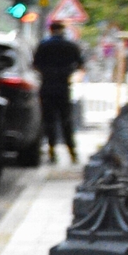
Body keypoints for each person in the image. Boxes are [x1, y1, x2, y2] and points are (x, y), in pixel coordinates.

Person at [32, 19, 86, 164]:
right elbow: (80, 64)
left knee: (49, 120)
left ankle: (51, 152)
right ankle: (72, 153)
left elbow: (35, 65)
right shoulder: (70, 46)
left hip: (47, 86)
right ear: (62, 30)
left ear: (50, 29)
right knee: (66, 120)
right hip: (63, 87)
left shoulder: (44, 45)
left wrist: (46, 73)